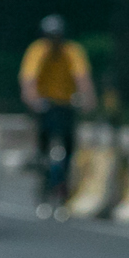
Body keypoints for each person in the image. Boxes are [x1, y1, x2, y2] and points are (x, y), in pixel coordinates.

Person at [18, 14, 96, 212]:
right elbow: (29, 78)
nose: (53, 41)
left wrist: (88, 99)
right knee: (44, 144)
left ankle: (63, 186)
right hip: (45, 104)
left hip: (66, 104)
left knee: (69, 147)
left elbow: (82, 77)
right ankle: (43, 178)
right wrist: (32, 99)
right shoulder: (37, 50)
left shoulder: (72, 51)